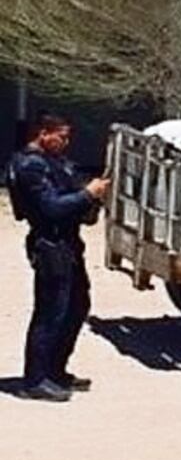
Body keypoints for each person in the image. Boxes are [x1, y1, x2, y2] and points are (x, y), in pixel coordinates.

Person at [6, 113, 110, 402]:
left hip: (67, 243)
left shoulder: (53, 162)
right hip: (50, 244)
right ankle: (35, 380)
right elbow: (50, 208)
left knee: (76, 306)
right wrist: (87, 195)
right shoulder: (29, 165)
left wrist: (90, 198)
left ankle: (54, 370)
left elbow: (69, 194)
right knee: (51, 311)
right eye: (61, 136)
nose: (66, 142)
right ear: (43, 133)